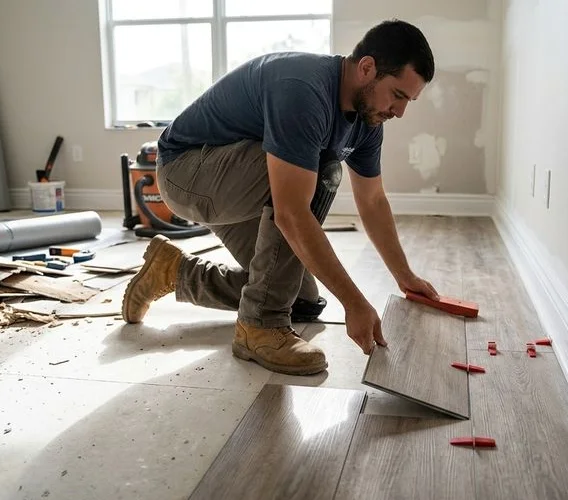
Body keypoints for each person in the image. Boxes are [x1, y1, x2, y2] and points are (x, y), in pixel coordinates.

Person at [121, 19, 440, 376]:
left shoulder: (368, 120)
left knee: (299, 300)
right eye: (398, 95)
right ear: (367, 68)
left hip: (240, 182)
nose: (399, 112)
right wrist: (354, 302)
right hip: (188, 174)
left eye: (408, 101)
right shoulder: (304, 90)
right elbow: (291, 213)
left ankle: (175, 272)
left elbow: (373, 201)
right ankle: (260, 326)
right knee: (321, 169)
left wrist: (404, 275)